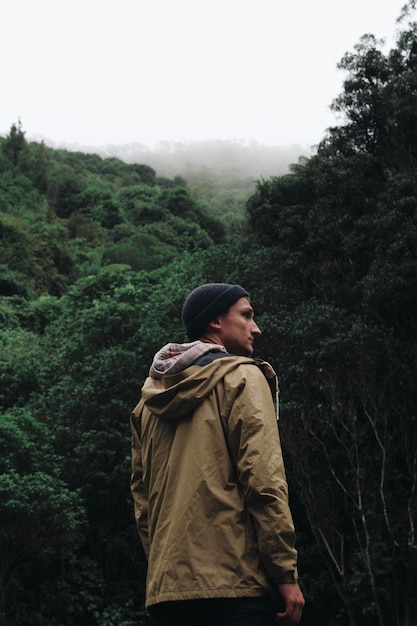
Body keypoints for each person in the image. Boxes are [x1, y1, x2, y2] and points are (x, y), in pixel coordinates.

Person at [130, 283, 305, 625]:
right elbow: (264, 482)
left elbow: (142, 504)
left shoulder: (145, 406)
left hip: (168, 594)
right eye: (246, 315)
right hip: (236, 587)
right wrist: (285, 573)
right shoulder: (243, 377)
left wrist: (168, 569)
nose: (256, 328)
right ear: (215, 322)